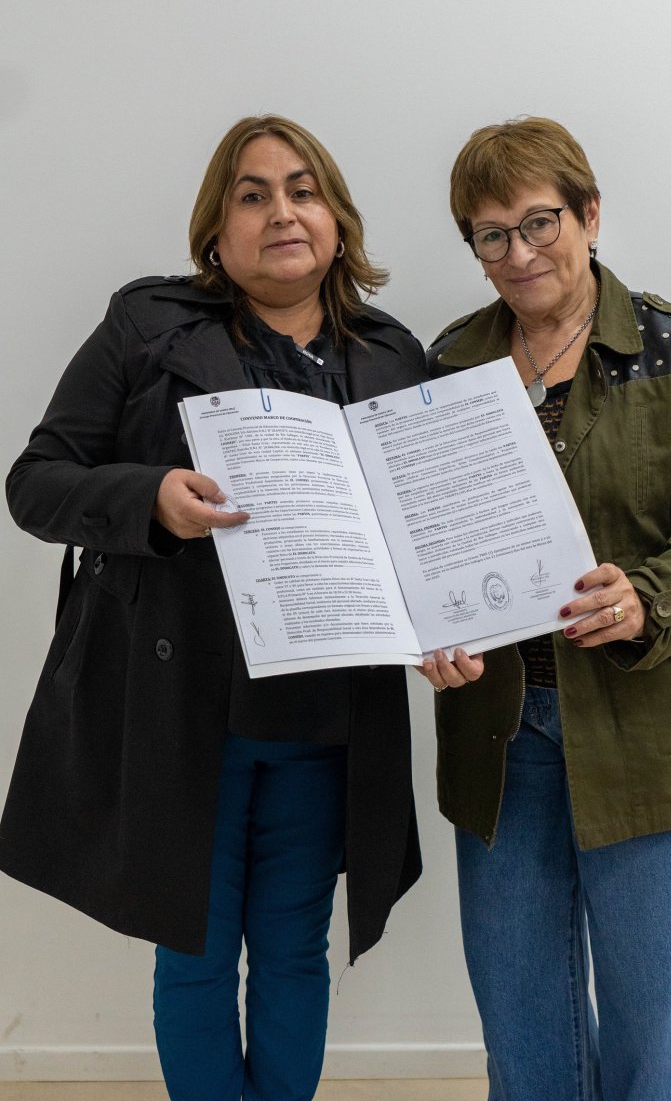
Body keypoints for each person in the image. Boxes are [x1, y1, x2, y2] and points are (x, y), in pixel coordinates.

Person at [0, 115, 428, 1101]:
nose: (282, 212)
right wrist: (147, 496)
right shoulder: (144, 328)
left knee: (293, 954)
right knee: (192, 958)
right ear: (216, 232)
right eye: (253, 194)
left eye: (303, 190)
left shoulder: (394, 359)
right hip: (183, 715)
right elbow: (35, 483)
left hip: (328, 721)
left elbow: (422, 542)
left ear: (336, 220)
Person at [421, 116, 671, 1101]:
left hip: (648, 727)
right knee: (522, 1020)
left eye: (539, 222)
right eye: (491, 235)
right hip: (499, 736)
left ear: (589, 215)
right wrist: (427, 633)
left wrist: (647, 597)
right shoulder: (447, 366)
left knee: (664, 1030)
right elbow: (423, 541)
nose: (518, 253)